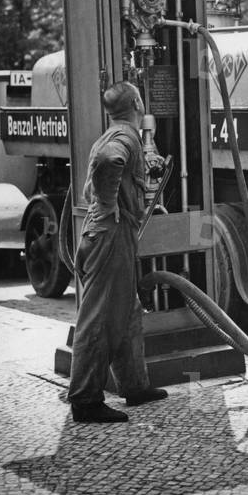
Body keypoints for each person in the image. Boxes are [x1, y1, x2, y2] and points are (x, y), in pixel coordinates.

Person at [67, 81, 168, 423]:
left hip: (106, 232)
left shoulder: (107, 135)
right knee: (99, 318)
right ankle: (85, 400)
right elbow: (111, 163)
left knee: (126, 312)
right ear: (138, 102)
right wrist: (111, 204)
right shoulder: (124, 139)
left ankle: (135, 386)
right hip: (111, 234)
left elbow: (94, 178)